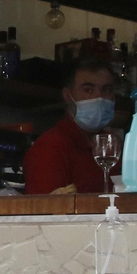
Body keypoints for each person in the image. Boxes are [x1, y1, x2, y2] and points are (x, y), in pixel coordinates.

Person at [24, 57, 120, 194]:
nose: (99, 98)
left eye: (106, 90)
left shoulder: (116, 147)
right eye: (88, 90)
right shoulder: (50, 148)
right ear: (68, 96)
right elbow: (47, 211)